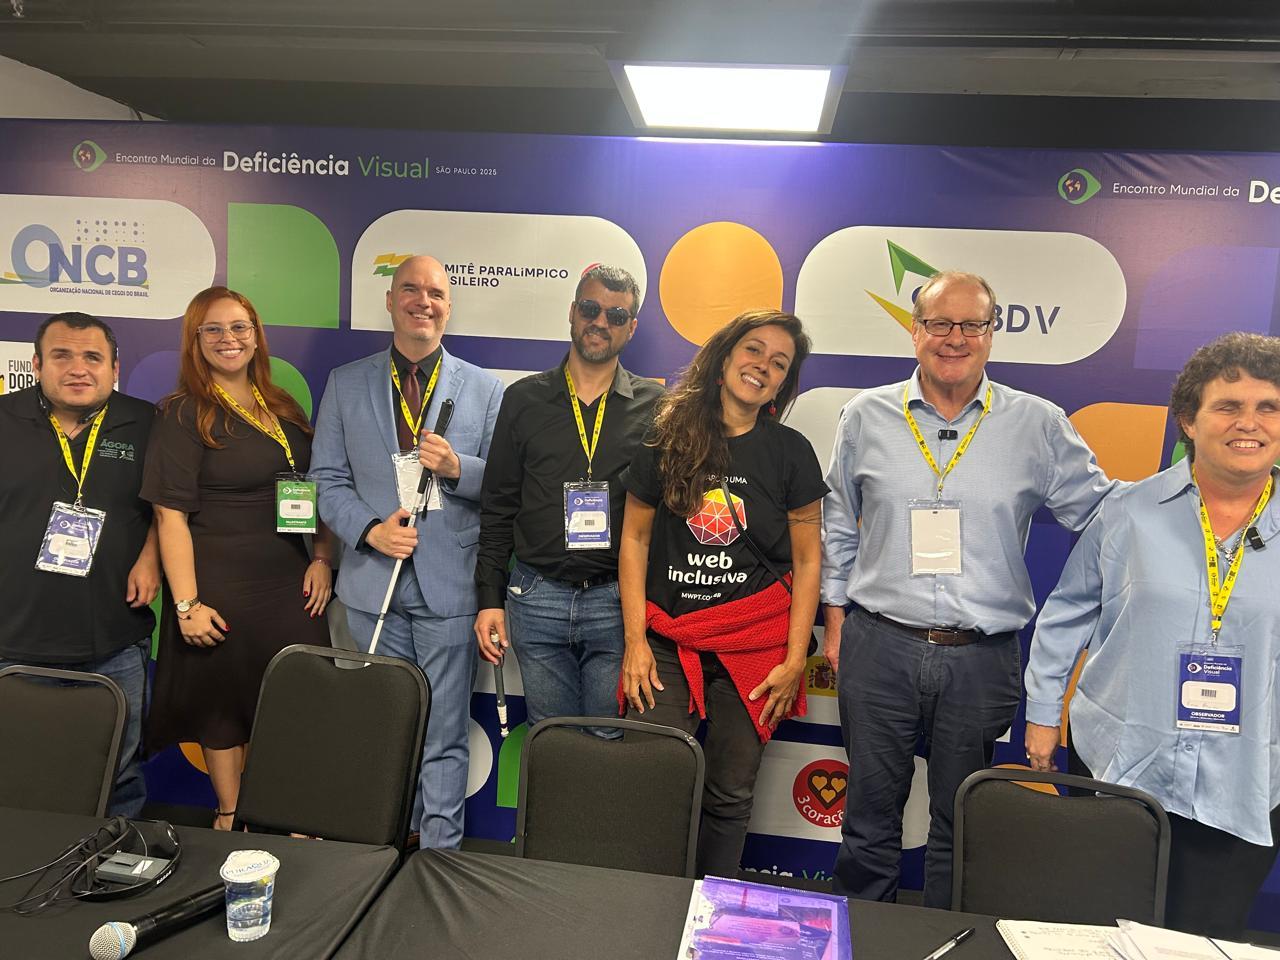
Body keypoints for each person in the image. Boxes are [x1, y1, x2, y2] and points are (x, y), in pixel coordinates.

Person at [821, 270, 1116, 907]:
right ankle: (861, 937)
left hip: (981, 657)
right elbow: (838, 521)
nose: (954, 338)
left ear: (991, 332)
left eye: (971, 325)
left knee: (961, 824)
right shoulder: (865, 415)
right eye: (938, 323)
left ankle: (945, 939)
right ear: (914, 330)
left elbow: (1103, 518)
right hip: (879, 646)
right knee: (868, 820)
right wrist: (836, 617)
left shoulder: (1037, 424)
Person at [1025, 332, 1280, 939]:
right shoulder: (1127, 511)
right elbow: (1067, 613)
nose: (1249, 423)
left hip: (1245, 774)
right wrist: (1041, 714)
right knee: (1105, 926)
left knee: (1203, 938)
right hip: (1121, 762)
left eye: (1268, 407)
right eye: (1228, 406)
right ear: (1189, 420)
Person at [619, 310, 827, 877]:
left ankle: (710, 908)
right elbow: (634, 540)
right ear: (725, 356)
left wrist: (795, 659)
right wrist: (635, 642)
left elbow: (808, 561)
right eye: (754, 350)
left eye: (779, 363)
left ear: (783, 384)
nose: (762, 366)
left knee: (731, 793)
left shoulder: (791, 452)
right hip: (668, 643)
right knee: (653, 783)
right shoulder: (665, 438)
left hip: (755, 648)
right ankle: (646, 907)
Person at [311, 254, 503, 849]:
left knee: (444, 734)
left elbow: (505, 486)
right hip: (372, 585)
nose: (424, 302)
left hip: (450, 588)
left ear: (449, 306)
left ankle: (437, 861)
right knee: (383, 728)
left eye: (436, 293)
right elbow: (325, 480)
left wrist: (458, 467)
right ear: (390, 301)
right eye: (412, 290)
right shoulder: (346, 383)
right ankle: (382, 852)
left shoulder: (486, 388)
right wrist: (370, 530)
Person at [142, 287, 333, 831]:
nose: (229, 338)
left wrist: (322, 556)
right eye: (214, 329)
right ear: (195, 340)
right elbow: (169, 517)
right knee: (221, 706)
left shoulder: (283, 406)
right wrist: (187, 606)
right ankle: (230, 817)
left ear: (256, 335)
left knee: (295, 698)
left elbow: (318, 487)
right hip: (217, 583)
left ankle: (292, 817)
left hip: (288, 580)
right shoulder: (183, 413)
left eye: (239, 327)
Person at [474, 265, 664, 732]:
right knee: (550, 738)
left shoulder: (656, 407)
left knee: (608, 739)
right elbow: (498, 505)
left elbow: (663, 519)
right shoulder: (523, 399)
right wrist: (489, 598)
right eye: (591, 308)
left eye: (616, 315)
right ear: (573, 312)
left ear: (631, 327)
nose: (600, 322)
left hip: (616, 602)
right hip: (536, 596)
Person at [0, 312, 160, 817]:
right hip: (14, 641)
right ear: (36, 365)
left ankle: (114, 861)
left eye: (93, 357)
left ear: (115, 368)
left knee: (120, 772)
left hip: (114, 638)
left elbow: (172, 508)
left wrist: (152, 557)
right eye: (62, 355)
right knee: (18, 773)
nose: (78, 368)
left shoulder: (147, 423)